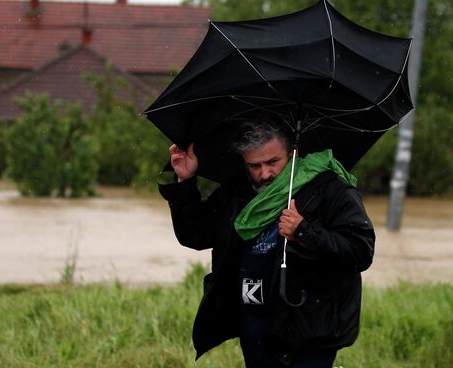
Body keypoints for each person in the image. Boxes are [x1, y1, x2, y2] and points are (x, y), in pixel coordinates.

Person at [158, 115, 375, 368]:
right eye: (254, 166)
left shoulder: (330, 190)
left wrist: (303, 231)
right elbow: (196, 235)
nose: (265, 174)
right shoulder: (237, 192)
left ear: (292, 153)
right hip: (255, 321)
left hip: (311, 324)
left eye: (273, 162)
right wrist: (185, 181)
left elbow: (361, 251)